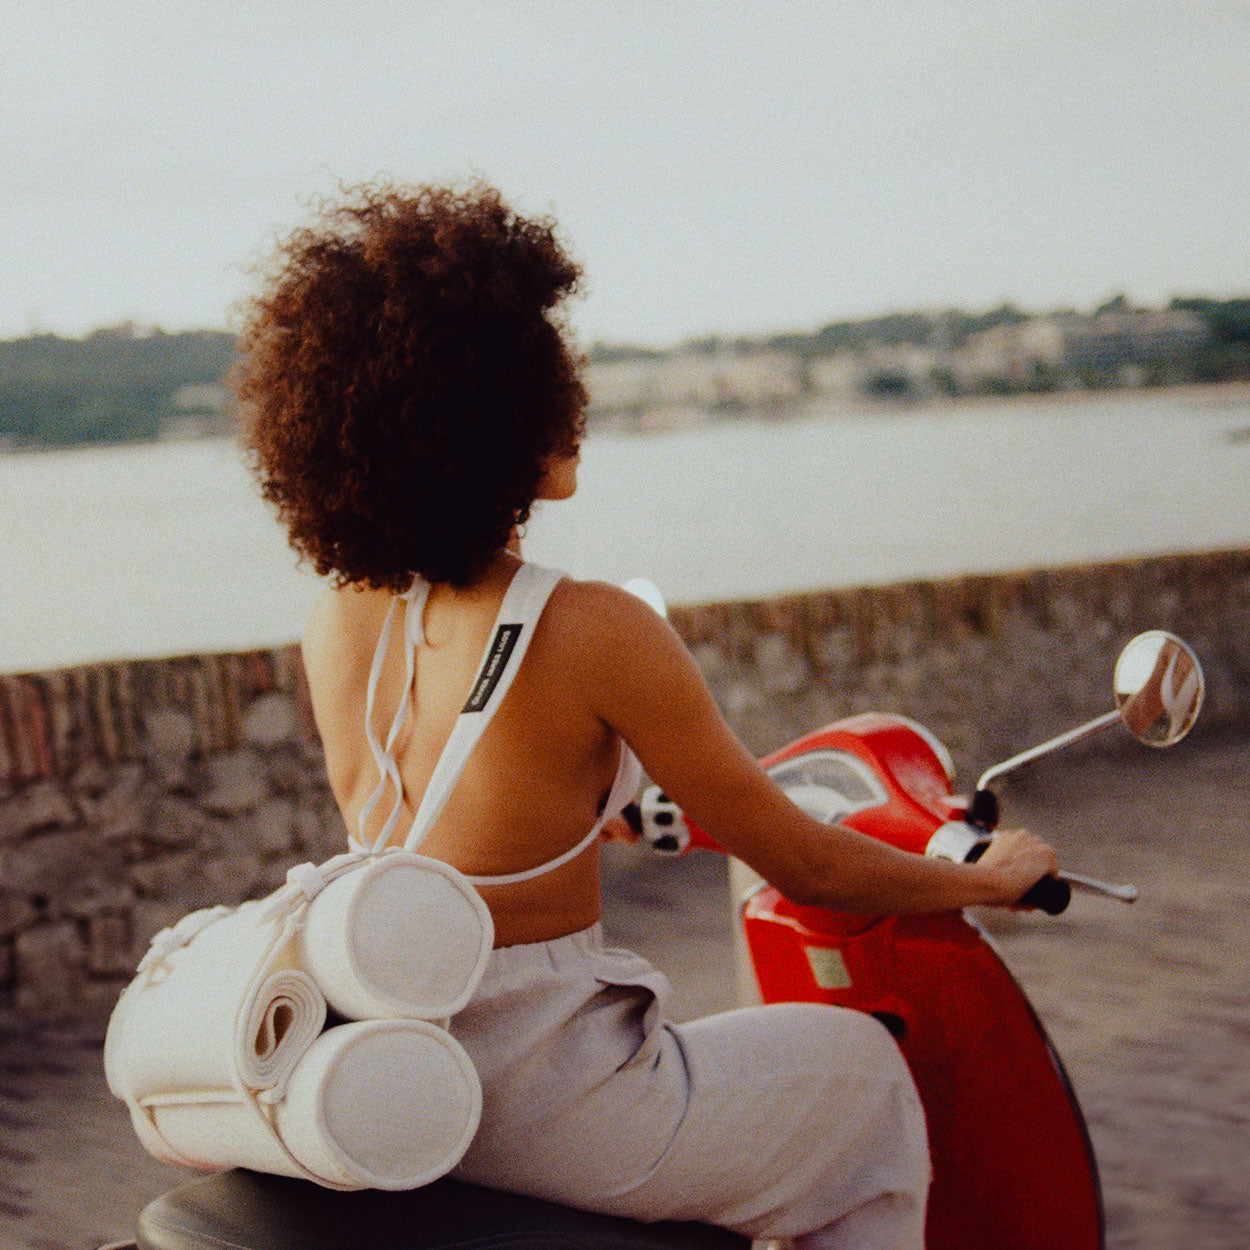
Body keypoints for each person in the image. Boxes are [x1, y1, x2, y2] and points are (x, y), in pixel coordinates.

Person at [234, 182, 1058, 1250]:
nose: (567, 393)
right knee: (859, 1076)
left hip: (399, 1066)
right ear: (489, 410)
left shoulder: (337, 622)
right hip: (543, 1096)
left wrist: (601, 814)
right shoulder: (593, 627)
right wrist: (980, 881)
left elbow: (464, 827)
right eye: (540, 367)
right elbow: (809, 863)